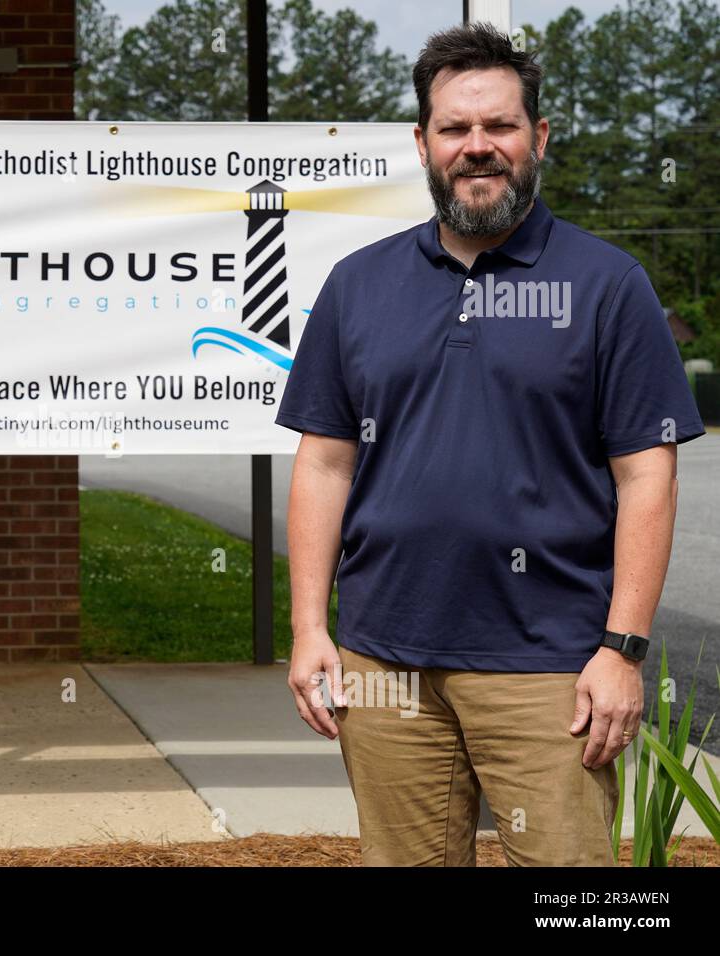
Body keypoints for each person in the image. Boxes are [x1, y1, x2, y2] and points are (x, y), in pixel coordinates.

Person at [276, 23, 705, 866]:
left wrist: (622, 649)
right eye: (456, 129)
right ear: (423, 143)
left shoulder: (607, 285)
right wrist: (306, 629)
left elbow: (647, 478)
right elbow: (325, 463)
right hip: (381, 661)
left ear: (537, 138)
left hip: (550, 666)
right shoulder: (359, 284)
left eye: (500, 127)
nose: (479, 148)